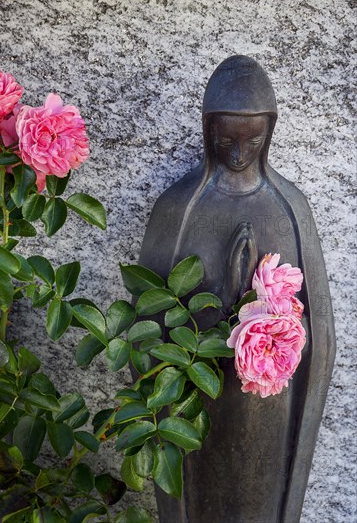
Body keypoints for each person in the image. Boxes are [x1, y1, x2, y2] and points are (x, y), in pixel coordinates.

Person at [138, 55, 336, 522]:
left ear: (271, 134)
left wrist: (276, 325)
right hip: (196, 394)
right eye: (225, 139)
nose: (239, 153)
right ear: (208, 132)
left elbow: (321, 330)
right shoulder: (179, 208)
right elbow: (144, 323)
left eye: (253, 141)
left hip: (267, 401)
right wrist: (220, 309)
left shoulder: (290, 208)